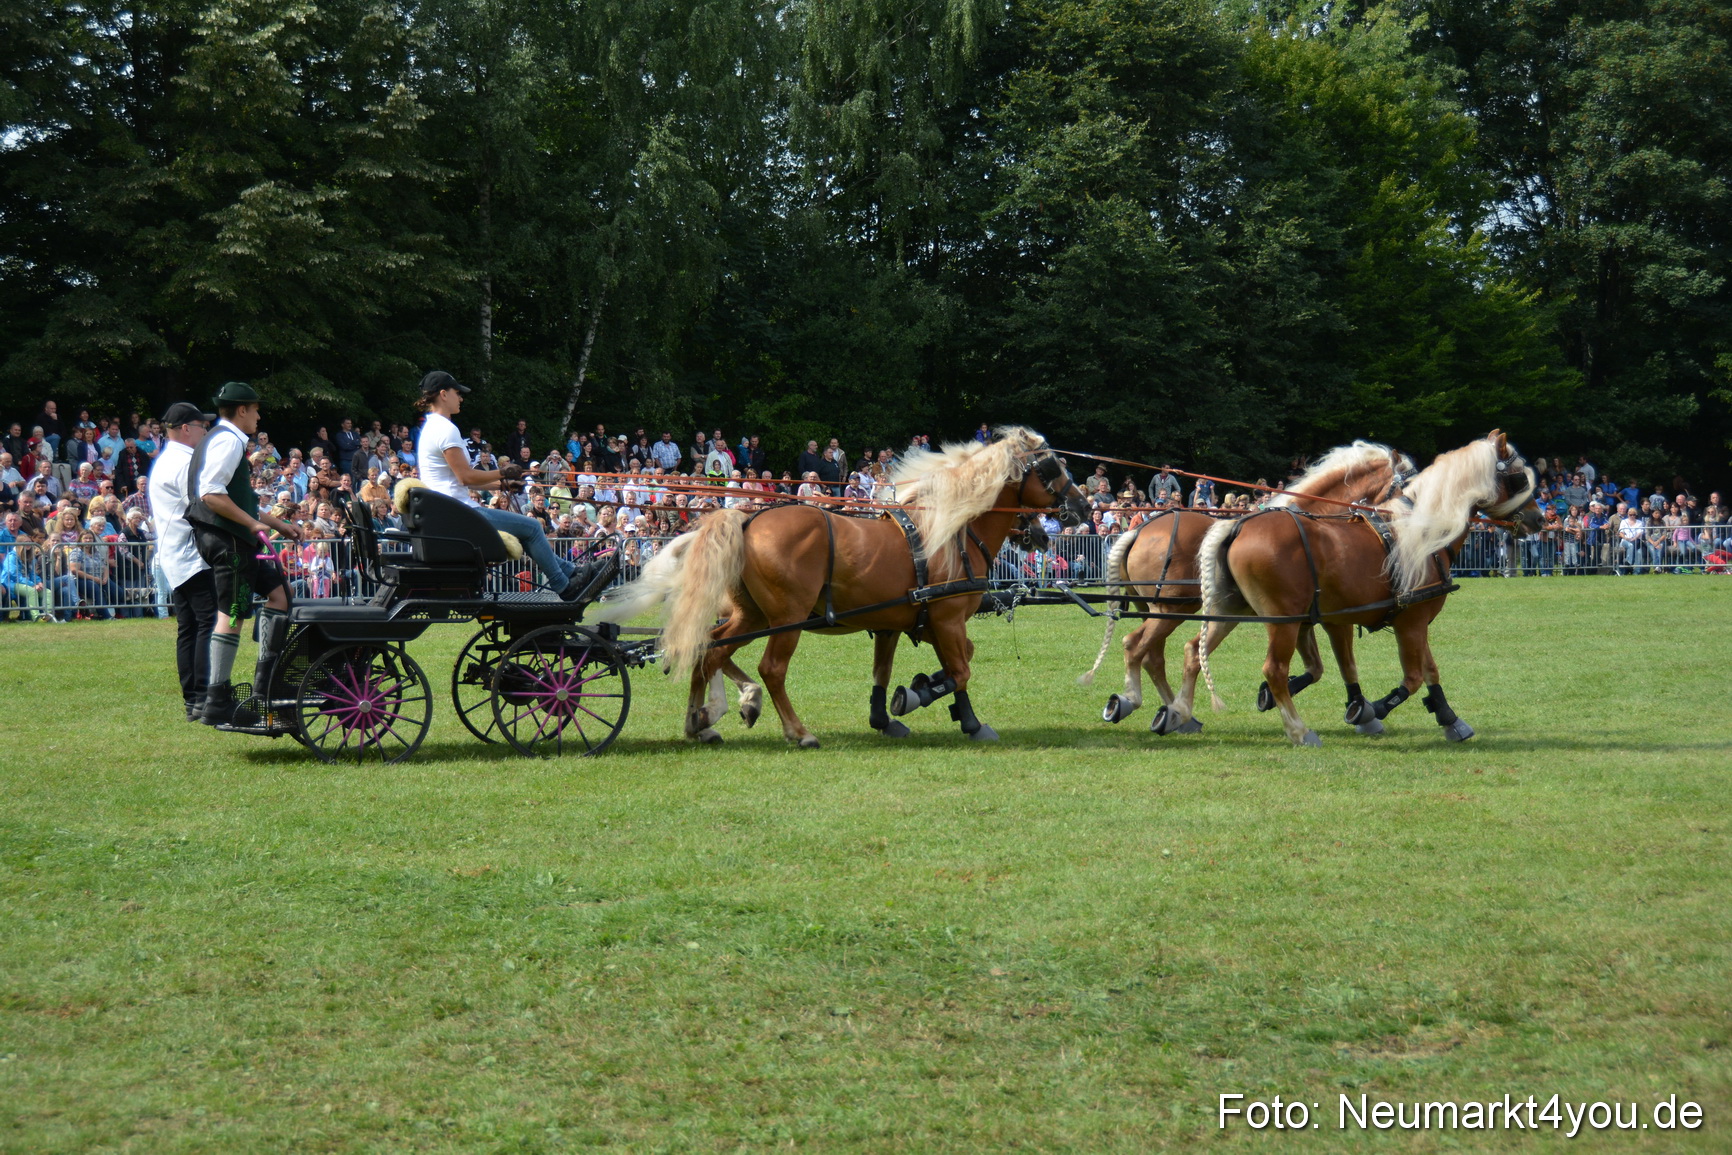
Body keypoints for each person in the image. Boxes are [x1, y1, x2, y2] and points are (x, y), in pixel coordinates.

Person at [186, 383, 302, 726]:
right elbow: (211, 494)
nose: (258, 416)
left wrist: (275, 524)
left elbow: (239, 499)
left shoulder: (222, 438)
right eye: (255, 410)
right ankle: (217, 697)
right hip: (227, 540)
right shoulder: (228, 440)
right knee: (232, 612)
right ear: (241, 411)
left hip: (234, 537)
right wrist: (253, 525)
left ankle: (265, 688)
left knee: (281, 595)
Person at [415, 370, 583, 597]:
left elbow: (458, 481)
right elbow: (466, 477)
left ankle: (571, 571)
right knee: (532, 527)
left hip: (452, 512)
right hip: (460, 514)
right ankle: (563, 585)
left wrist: (500, 486)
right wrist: (502, 473)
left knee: (527, 529)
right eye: (457, 393)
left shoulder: (431, 428)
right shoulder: (446, 429)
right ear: (444, 394)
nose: (461, 398)